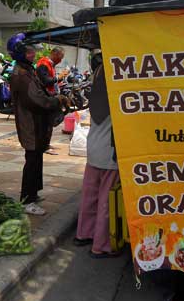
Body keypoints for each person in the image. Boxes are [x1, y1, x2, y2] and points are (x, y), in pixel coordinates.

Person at [7, 33, 66, 216]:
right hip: (30, 124)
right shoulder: (21, 75)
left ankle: (34, 193)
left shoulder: (27, 70)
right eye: (29, 51)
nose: (33, 54)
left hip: (36, 123)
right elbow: (37, 99)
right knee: (32, 161)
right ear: (20, 53)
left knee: (36, 158)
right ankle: (27, 200)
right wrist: (57, 100)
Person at [74, 55, 120, 258]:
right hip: (110, 156)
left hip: (92, 152)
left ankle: (83, 234)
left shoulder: (95, 98)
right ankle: (101, 245)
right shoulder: (117, 100)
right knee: (106, 201)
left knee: (89, 196)